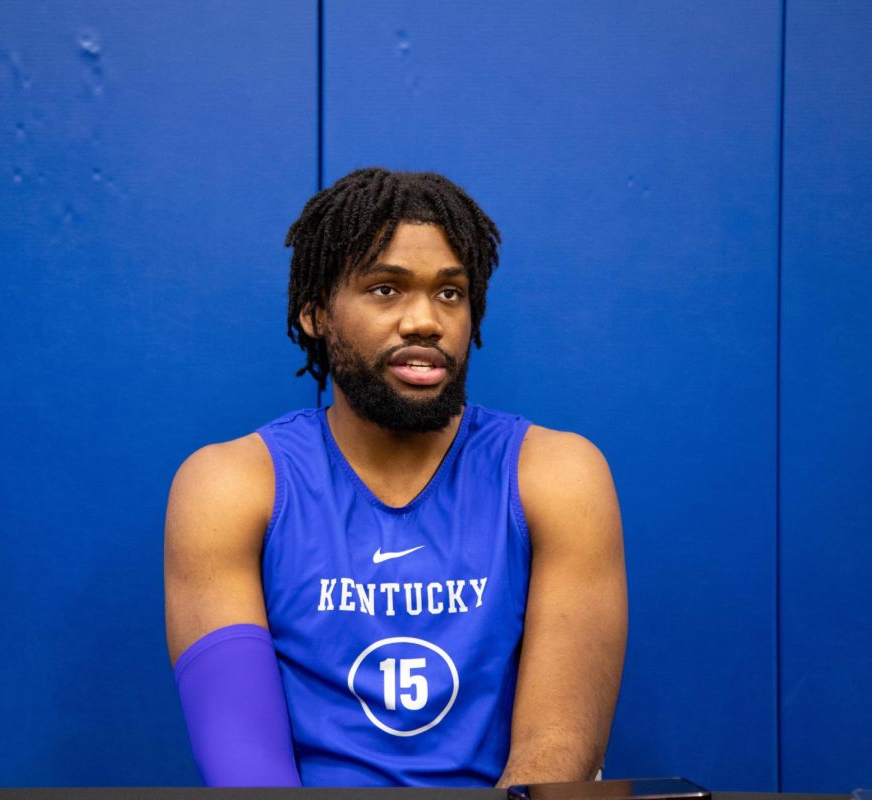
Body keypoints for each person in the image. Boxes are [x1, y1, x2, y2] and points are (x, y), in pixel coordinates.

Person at [164, 168, 627, 788]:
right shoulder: (232, 485)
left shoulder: (557, 474)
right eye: (386, 290)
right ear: (314, 315)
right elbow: (248, 773)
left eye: (450, 293)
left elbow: (555, 757)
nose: (425, 321)